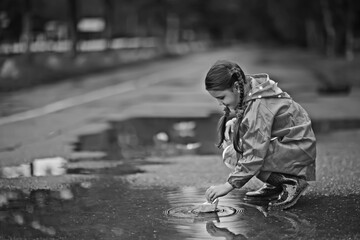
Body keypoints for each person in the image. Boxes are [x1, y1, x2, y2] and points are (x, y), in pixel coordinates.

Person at [204, 60, 316, 210]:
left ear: (237, 87)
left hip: (297, 150)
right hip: (296, 145)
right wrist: (238, 123)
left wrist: (227, 186)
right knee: (238, 145)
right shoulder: (253, 88)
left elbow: (254, 153)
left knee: (235, 154)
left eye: (222, 98)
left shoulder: (258, 105)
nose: (219, 103)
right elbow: (259, 124)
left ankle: (291, 182)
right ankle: (275, 184)